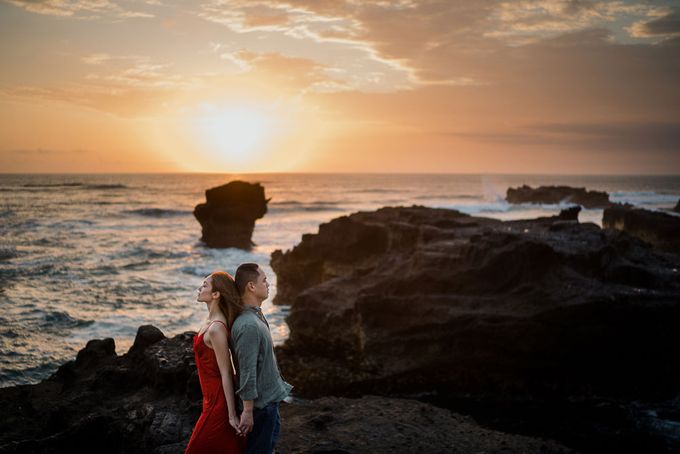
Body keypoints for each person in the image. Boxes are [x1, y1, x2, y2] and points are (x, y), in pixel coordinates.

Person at [232, 263, 293, 454]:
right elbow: (247, 371)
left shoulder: (255, 316)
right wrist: (248, 412)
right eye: (264, 280)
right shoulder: (248, 325)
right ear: (251, 286)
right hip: (260, 409)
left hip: (268, 404)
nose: (268, 284)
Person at [185, 271, 246, 454]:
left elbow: (227, 372)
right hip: (209, 399)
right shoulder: (210, 322)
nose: (199, 288)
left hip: (217, 403)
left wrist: (231, 414)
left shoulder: (216, 329)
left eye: (204, 285)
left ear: (216, 294)